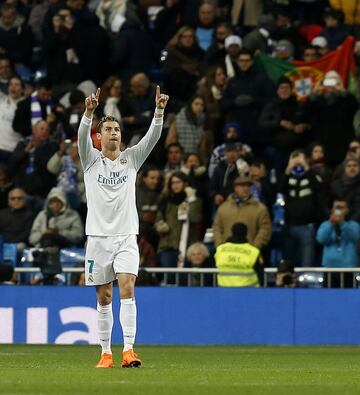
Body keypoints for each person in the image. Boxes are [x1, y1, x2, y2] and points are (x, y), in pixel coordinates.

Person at [78, 86, 168, 368]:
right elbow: (81, 138)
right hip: (97, 238)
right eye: (108, 129)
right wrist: (88, 113)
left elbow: (152, 138)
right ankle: (106, 353)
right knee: (104, 296)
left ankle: (129, 350)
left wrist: (159, 112)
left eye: (117, 129)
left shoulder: (131, 159)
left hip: (127, 236)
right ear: (100, 135)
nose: (114, 132)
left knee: (127, 287)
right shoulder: (91, 160)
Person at [316, 199, 360, 287]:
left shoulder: (353, 225)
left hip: (348, 269)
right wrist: (331, 224)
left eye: (341, 208)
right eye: (336, 207)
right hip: (329, 269)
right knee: (329, 298)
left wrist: (342, 223)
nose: (338, 210)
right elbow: (321, 239)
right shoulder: (325, 224)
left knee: (349, 298)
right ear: (332, 209)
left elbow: (354, 237)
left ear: (347, 210)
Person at [215, 222, 261, 287]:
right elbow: (260, 273)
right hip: (249, 292)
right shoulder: (253, 251)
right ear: (246, 233)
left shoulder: (220, 249)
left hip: (224, 291)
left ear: (232, 232)